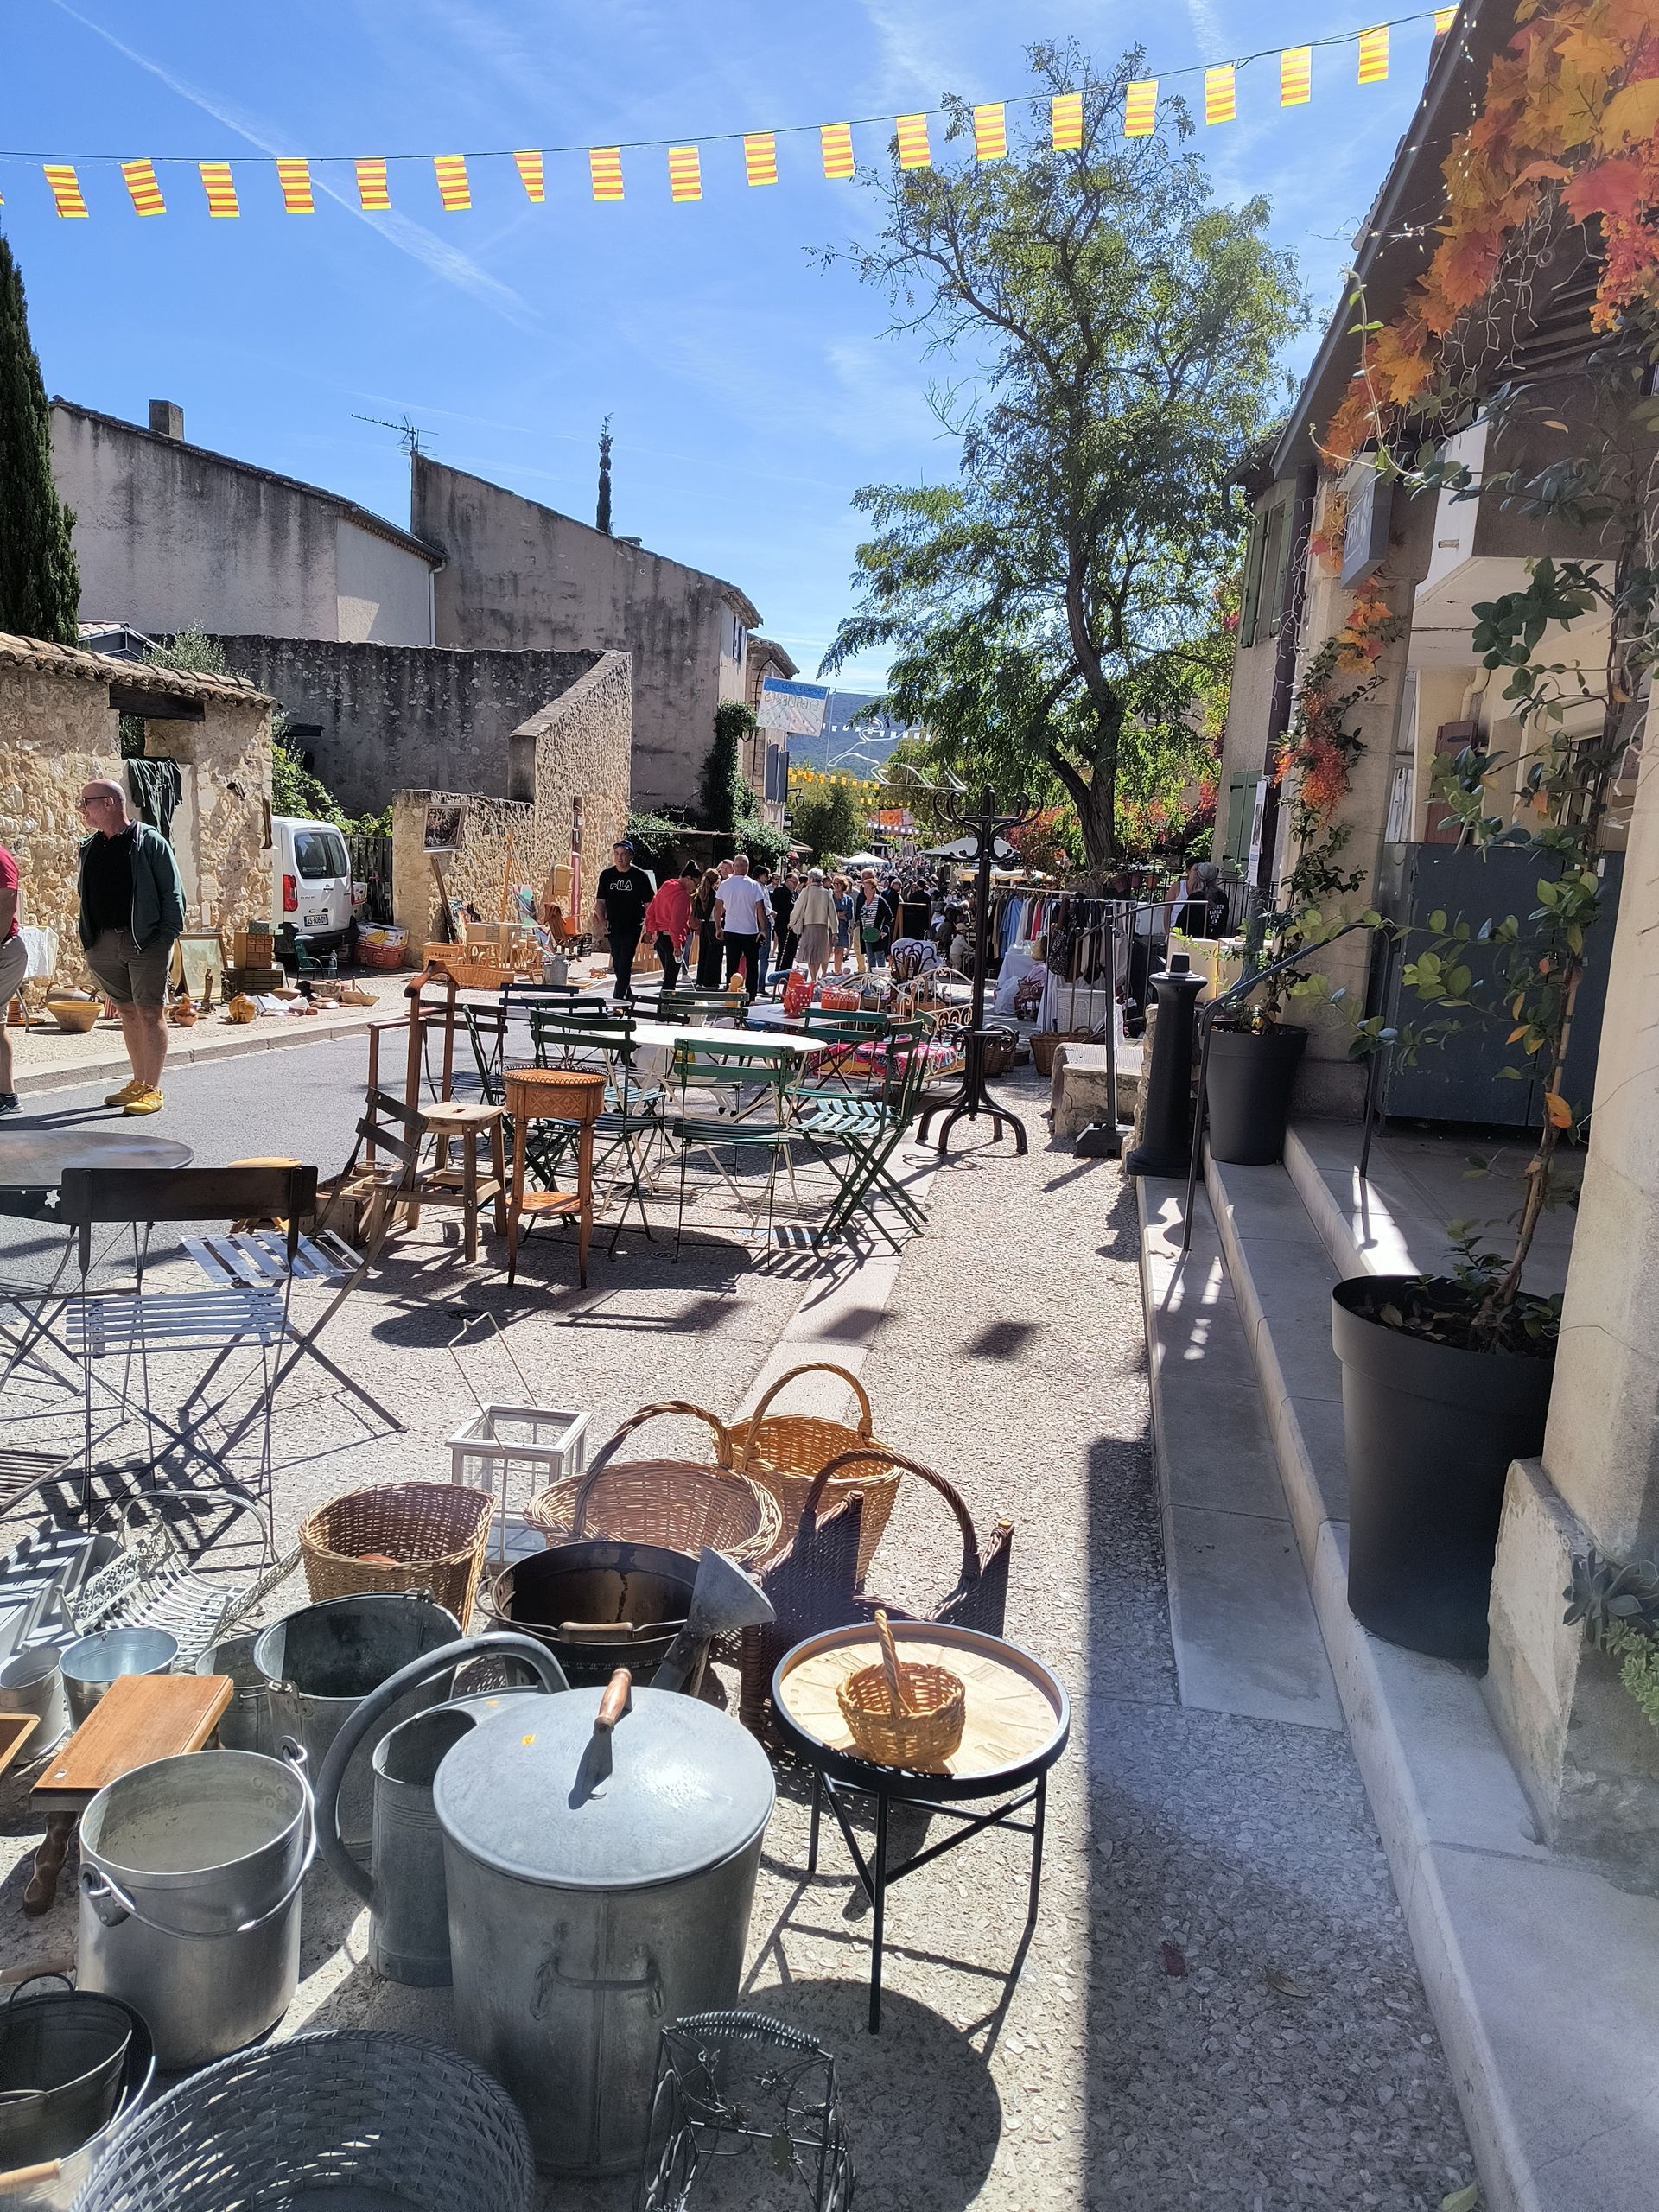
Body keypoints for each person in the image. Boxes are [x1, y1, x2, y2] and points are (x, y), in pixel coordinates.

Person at [75, 777, 185, 1116]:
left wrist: (164, 937)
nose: (82, 809)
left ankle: (153, 1089)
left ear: (109, 803)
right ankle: (138, 1082)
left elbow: (172, 893)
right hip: (103, 943)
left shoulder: (149, 841)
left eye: (87, 802)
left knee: (150, 1012)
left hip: (144, 942)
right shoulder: (89, 845)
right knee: (126, 1011)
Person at [594, 837, 654, 1002]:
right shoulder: (607, 875)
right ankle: (628, 994)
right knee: (617, 963)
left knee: (625, 962)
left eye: (623, 854)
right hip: (613, 925)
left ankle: (618, 1000)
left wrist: (649, 927)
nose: (619, 858)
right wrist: (601, 921)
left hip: (633, 925)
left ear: (630, 856)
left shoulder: (640, 876)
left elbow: (650, 903)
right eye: (617, 854)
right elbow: (600, 902)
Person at [714, 854, 769, 995]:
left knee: (731, 964)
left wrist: (718, 927)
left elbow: (718, 907)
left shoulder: (725, 885)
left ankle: (731, 992)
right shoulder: (754, 885)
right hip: (750, 931)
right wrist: (763, 930)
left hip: (731, 929)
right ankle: (750, 995)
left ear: (734, 867)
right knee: (751, 965)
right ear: (747, 867)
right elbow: (760, 910)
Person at [645, 861, 700, 995]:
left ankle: (666, 1010)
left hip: (661, 940)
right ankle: (666, 1011)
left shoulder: (666, 886)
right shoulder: (682, 895)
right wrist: (677, 945)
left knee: (668, 979)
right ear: (688, 878)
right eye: (696, 884)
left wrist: (652, 931)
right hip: (672, 940)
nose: (695, 888)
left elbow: (650, 912)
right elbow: (677, 923)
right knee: (670, 983)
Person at [0, 839, 25, 1116]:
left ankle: (7, 1096)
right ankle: (6, 1096)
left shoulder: (0, 857)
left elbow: (7, 902)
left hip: (4, 948)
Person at [791, 868, 836, 995]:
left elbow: (798, 908)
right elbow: (833, 913)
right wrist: (835, 931)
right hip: (822, 927)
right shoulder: (827, 893)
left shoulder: (806, 891)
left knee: (811, 954)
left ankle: (813, 978)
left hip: (809, 926)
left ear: (810, 879)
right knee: (820, 954)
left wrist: (792, 922)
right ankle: (815, 979)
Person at [854, 871, 894, 972]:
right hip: (867, 932)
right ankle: (871, 978)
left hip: (878, 933)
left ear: (873, 890)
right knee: (870, 956)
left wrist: (884, 927)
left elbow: (889, 915)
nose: (865, 891)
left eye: (867, 889)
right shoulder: (864, 901)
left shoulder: (879, 900)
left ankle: (881, 979)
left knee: (879, 955)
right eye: (864, 889)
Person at [692, 867, 724, 987]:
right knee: (714, 954)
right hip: (713, 924)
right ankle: (711, 981)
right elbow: (718, 911)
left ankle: (700, 980)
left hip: (703, 924)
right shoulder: (715, 894)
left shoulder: (700, 893)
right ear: (716, 881)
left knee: (703, 953)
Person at [830, 873, 854, 974]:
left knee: (839, 951)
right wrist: (840, 914)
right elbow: (828, 913)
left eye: (839, 883)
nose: (836, 886)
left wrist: (837, 914)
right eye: (835, 883)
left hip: (843, 928)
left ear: (843, 885)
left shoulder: (848, 899)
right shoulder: (830, 897)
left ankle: (838, 971)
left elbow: (849, 915)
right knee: (829, 951)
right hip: (831, 927)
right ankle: (824, 972)